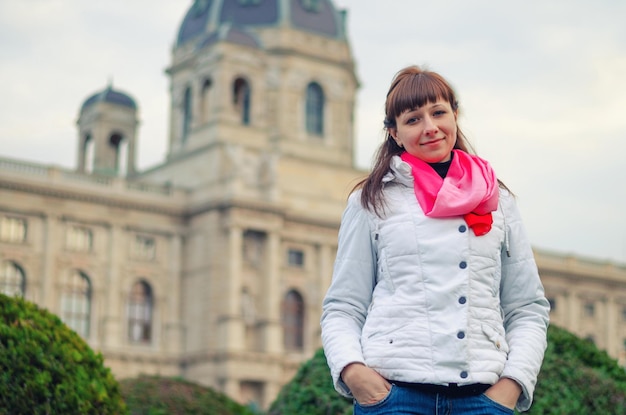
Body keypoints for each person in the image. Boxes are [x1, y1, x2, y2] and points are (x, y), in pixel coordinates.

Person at [320, 65, 550, 415]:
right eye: (413, 119)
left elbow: (527, 307)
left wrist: (513, 384)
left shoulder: (498, 200)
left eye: (438, 113)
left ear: (455, 116)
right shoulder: (371, 201)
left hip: (482, 399)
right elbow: (343, 306)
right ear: (394, 133)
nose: (430, 128)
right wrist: (354, 372)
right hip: (395, 398)